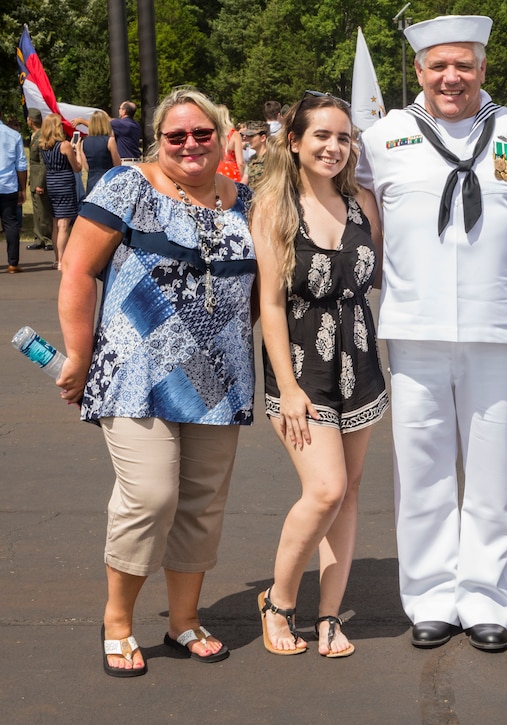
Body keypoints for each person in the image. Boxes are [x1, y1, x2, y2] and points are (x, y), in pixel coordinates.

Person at [357, 14, 507, 653]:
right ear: (418, 71)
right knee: (423, 470)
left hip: (497, 327)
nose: (451, 77)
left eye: (463, 66)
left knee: (492, 470)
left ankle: (487, 596)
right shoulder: (382, 140)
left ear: (482, 70)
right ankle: (432, 597)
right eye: (438, 65)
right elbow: (363, 220)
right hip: (414, 327)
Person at [55, 87, 256, 677]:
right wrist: (77, 353)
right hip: (135, 371)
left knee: (201, 505)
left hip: (220, 378)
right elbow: (78, 269)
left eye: (202, 134)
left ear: (221, 137)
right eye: (176, 136)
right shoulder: (126, 187)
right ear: (157, 140)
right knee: (150, 497)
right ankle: (117, 622)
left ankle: (183, 621)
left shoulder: (245, 200)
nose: (190, 144)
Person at [252, 92, 389, 658]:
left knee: (349, 493)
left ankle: (330, 614)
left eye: (343, 137)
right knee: (325, 488)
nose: (334, 147)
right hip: (301, 369)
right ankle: (278, 601)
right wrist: (286, 387)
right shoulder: (274, 208)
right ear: (295, 142)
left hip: (359, 364)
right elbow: (272, 305)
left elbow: (375, 279)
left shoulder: (363, 202)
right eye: (322, 137)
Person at [39, 113, 82, 269]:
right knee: (64, 225)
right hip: (64, 183)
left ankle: (57, 258)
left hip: (52, 182)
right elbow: (77, 167)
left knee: (56, 223)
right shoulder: (64, 145)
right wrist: (77, 150)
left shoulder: (42, 145)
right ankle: (62, 261)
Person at [0, 112, 27, 273]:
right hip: (7, 185)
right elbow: (21, 164)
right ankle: (12, 263)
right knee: (10, 224)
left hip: (7, 185)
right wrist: (22, 188)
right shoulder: (13, 135)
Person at [25, 109, 54, 252]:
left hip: (40, 180)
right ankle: (39, 238)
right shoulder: (34, 135)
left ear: (30, 120)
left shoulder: (42, 136)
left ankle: (48, 239)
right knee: (37, 211)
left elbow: (44, 163)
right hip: (34, 178)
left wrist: (40, 183)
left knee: (44, 211)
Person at [77, 110, 122, 194]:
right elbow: (117, 164)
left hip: (92, 181)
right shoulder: (110, 140)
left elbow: (86, 167)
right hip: (108, 179)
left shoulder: (84, 142)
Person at [216, 105, 245, 182]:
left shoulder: (213, 134)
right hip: (232, 173)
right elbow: (240, 162)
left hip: (216, 172)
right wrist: (243, 178)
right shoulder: (234, 135)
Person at [241, 121, 269, 186]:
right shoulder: (252, 159)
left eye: (251, 136)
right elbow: (244, 182)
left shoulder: (273, 158)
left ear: (263, 138)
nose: (247, 139)